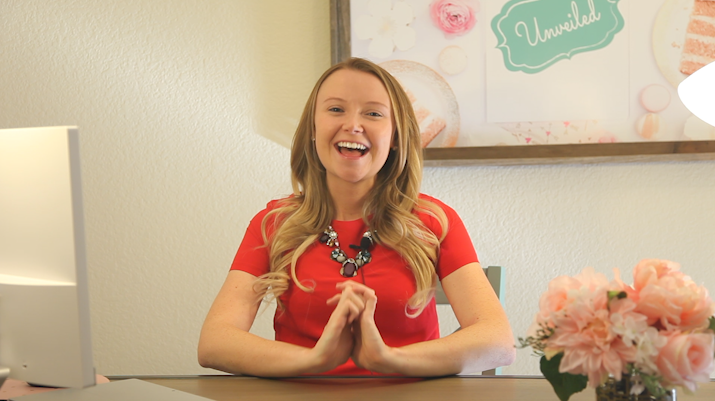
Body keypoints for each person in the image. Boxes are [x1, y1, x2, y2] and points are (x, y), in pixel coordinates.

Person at [197, 57, 515, 377]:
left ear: (395, 136)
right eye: (336, 109)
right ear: (313, 128)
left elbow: (497, 342)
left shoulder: (436, 221)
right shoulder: (272, 223)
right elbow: (215, 343)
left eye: (373, 113)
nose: (353, 125)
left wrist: (389, 359)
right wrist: (313, 360)